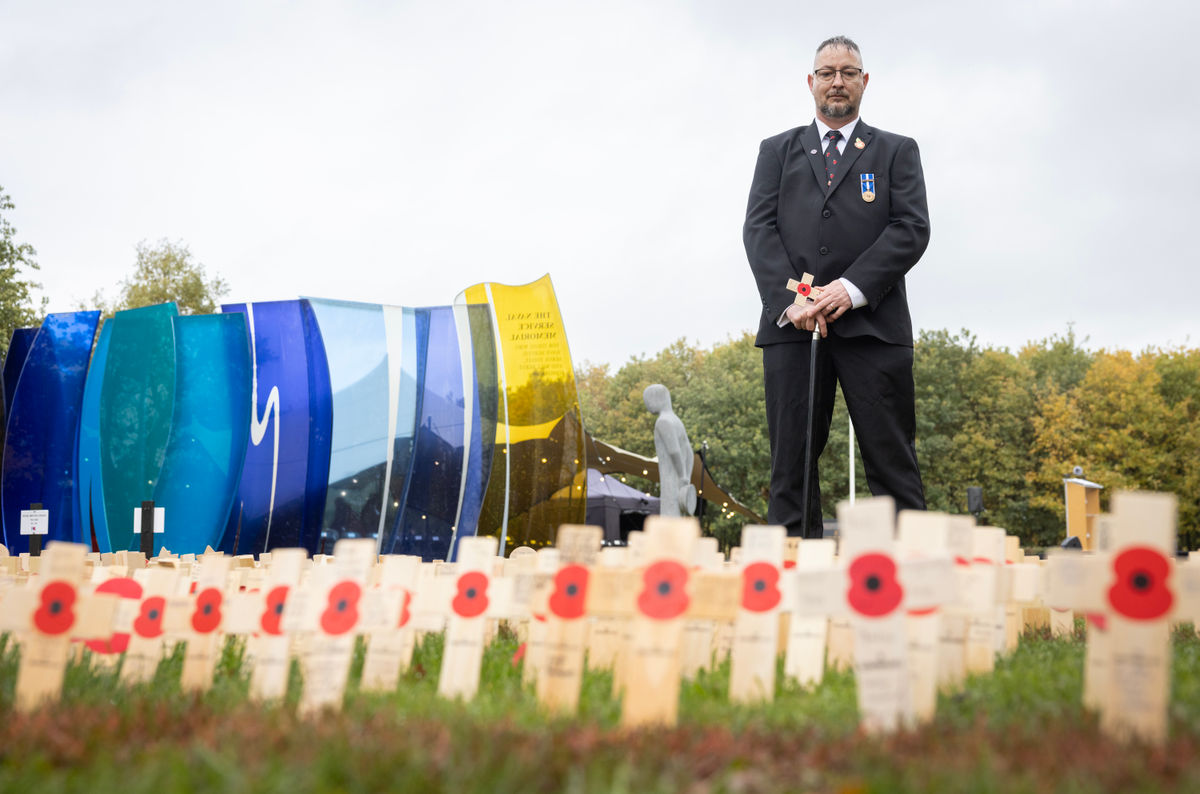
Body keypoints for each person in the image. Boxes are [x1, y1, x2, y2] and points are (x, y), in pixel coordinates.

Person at [742, 35, 929, 538]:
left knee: (892, 463)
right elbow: (759, 230)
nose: (837, 81)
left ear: (864, 82)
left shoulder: (896, 151)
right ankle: (793, 597)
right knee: (791, 467)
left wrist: (849, 288)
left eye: (848, 72)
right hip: (793, 329)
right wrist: (794, 302)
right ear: (811, 82)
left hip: (874, 326)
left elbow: (911, 229)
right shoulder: (776, 151)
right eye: (827, 72)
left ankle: (913, 591)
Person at [643, 384, 697, 517]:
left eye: (648, 401)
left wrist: (682, 476)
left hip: (671, 480)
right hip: (681, 481)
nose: (647, 406)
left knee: (670, 515)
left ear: (657, 399)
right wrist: (686, 478)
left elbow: (674, 451)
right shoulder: (677, 421)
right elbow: (689, 453)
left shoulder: (663, 422)